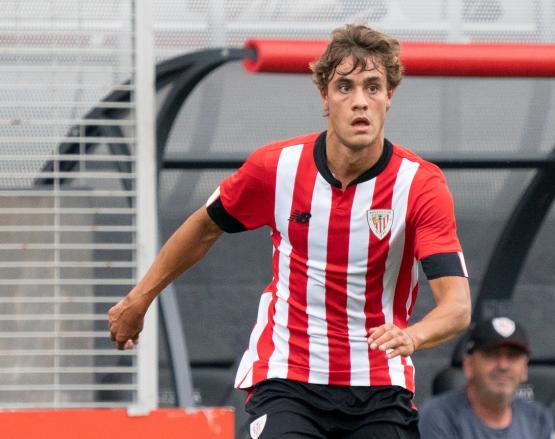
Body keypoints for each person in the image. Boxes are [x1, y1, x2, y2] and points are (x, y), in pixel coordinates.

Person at [108, 24, 471, 438]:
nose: (360, 103)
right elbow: (204, 227)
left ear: (390, 96)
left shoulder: (420, 184)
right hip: (287, 378)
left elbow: (457, 306)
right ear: (324, 96)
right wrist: (138, 300)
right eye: (345, 87)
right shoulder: (275, 168)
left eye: (373, 87)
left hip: (379, 384)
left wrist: (413, 335)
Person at [419, 317, 555, 438]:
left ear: (524, 369)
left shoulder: (538, 418)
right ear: (469, 365)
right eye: (492, 355)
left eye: (512, 357)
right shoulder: (438, 416)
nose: (503, 366)